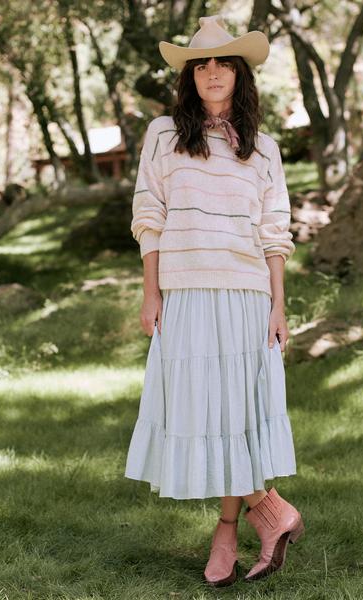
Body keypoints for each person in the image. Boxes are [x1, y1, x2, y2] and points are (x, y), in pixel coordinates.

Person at [124, 14, 304, 587]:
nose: (213, 73)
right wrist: (151, 290)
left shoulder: (265, 149)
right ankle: (270, 512)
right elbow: (148, 213)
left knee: (236, 415)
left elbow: (275, 231)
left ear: (240, 74)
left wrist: (278, 305)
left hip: (248, 293)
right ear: (190, 77)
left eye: (224, 63)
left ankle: (228, 532)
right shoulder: (163, 134)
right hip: (185, 288)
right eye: (202, 65)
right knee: (200, 409)